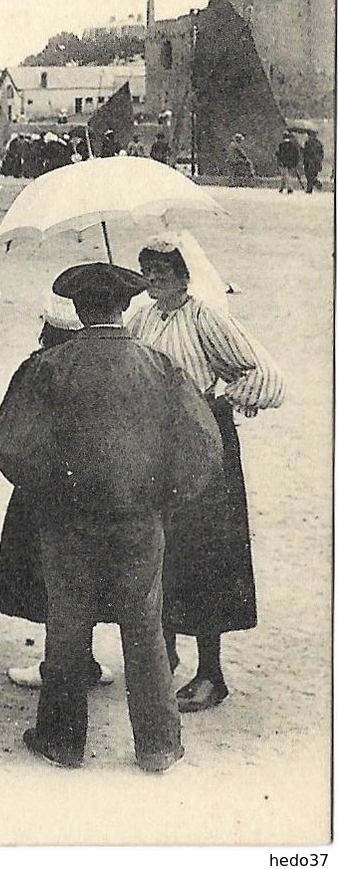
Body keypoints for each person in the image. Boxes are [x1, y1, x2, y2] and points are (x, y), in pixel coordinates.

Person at [0, 262, 221, 773]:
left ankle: (62, 741)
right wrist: (161, 497)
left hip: (67, 523)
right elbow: (205, 446)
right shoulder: (159, 367)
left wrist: (51, 493)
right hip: (140, 522)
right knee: (145, 627)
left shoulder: (47, 367)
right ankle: (158, 745)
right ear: (124, 308)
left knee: (68, 626)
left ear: (76, 309)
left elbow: (9, 447)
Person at [128, 234, 284, 713]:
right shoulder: (144, 316)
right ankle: (167, 652)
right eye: (148, 268)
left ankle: (211, 673)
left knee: (206, 554)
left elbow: (253, 369)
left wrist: (220, 400)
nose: (154, 277)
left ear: (184, 273)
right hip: (158, 445)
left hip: (202, 445)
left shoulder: (205, 316)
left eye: (163, 270)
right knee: (161, 550)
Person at [0, 297, 115, 689]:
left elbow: (8, 432)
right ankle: (87, 660)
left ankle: (55, 666)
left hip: (44, 493)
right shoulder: (103, 366)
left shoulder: (35, 369)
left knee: (52, 582)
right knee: (91, 577)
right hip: (96, 491)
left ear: (47, 330)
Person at [273, 129, 302, 193]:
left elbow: (281, 154)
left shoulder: (282, 145)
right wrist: (295, 162)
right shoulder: (293, 145)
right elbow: (296, 154)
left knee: (285, 175)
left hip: (283, 162)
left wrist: (277, 155)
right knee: (284, 175)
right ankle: (281, 187)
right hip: (290, 162)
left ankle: (289, 188)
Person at [300, 129, 324, 193]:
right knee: (310, 175)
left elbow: (306, 153)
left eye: (309, 135)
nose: (309, 137)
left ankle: (315, 184)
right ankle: (310, 188)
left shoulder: (308, 143)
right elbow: (321, 153)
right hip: (315, 162)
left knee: (309, 175)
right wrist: (320, 161)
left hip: (310, 162)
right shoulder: (319, 143)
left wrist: (302, 151)